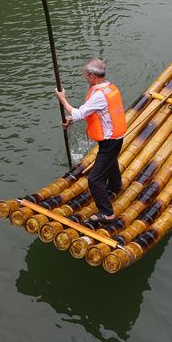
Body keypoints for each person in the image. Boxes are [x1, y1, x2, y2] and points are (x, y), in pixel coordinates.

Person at [55, 58, 126, 223]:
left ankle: (107, 213)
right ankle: (115, 185)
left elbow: (79, 113)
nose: (85, 77)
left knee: (94, 179)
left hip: (111, 141)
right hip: (114, 139)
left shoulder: (99, 95)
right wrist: (70, 119)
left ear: (93, 75)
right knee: (109, 162)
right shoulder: (109, 88)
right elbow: (91, 112)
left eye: (86, 75)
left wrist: (62, 98)